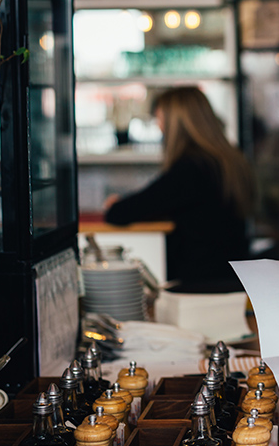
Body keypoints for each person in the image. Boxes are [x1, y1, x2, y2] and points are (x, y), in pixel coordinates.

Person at [104, 86, 253, 292]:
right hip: (233, 277)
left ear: (176, 123)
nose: (159, 127)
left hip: (201, 284)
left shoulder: (191, 168)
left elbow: (119, 214)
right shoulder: (228, 160)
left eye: (160, 119)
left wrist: (117, 204)